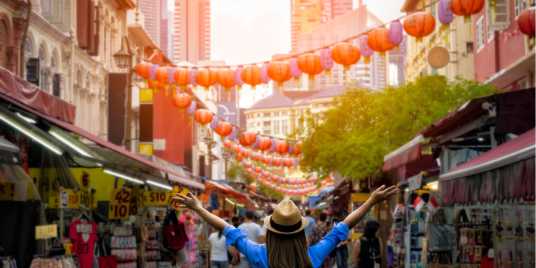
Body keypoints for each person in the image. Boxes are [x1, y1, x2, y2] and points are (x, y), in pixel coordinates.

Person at [174, 185, 397, 268]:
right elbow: (344, 226)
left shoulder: (260, 255)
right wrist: (371, 201)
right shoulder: (313, 256)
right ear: (300, 233)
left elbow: (226, 228)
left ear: (271, 232)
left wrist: (199, 208)